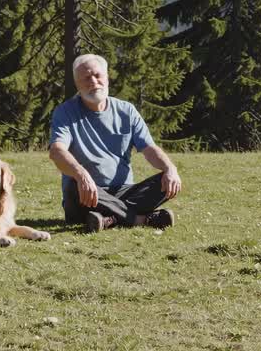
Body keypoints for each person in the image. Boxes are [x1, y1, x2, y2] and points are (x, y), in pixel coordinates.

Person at [48, 53, 183, 232]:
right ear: (77, 84)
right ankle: (140, 219)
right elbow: (56, 151)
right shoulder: (65, 113)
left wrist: (170, 169)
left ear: (107, 78)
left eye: (98, 75)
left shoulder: (126, 110)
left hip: (123, 190)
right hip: (85, 194)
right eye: (86, 78)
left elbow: (149, 148)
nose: (93, 82)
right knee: (73, 183)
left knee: (165, 180)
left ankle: (109, 219)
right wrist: (81, 174)